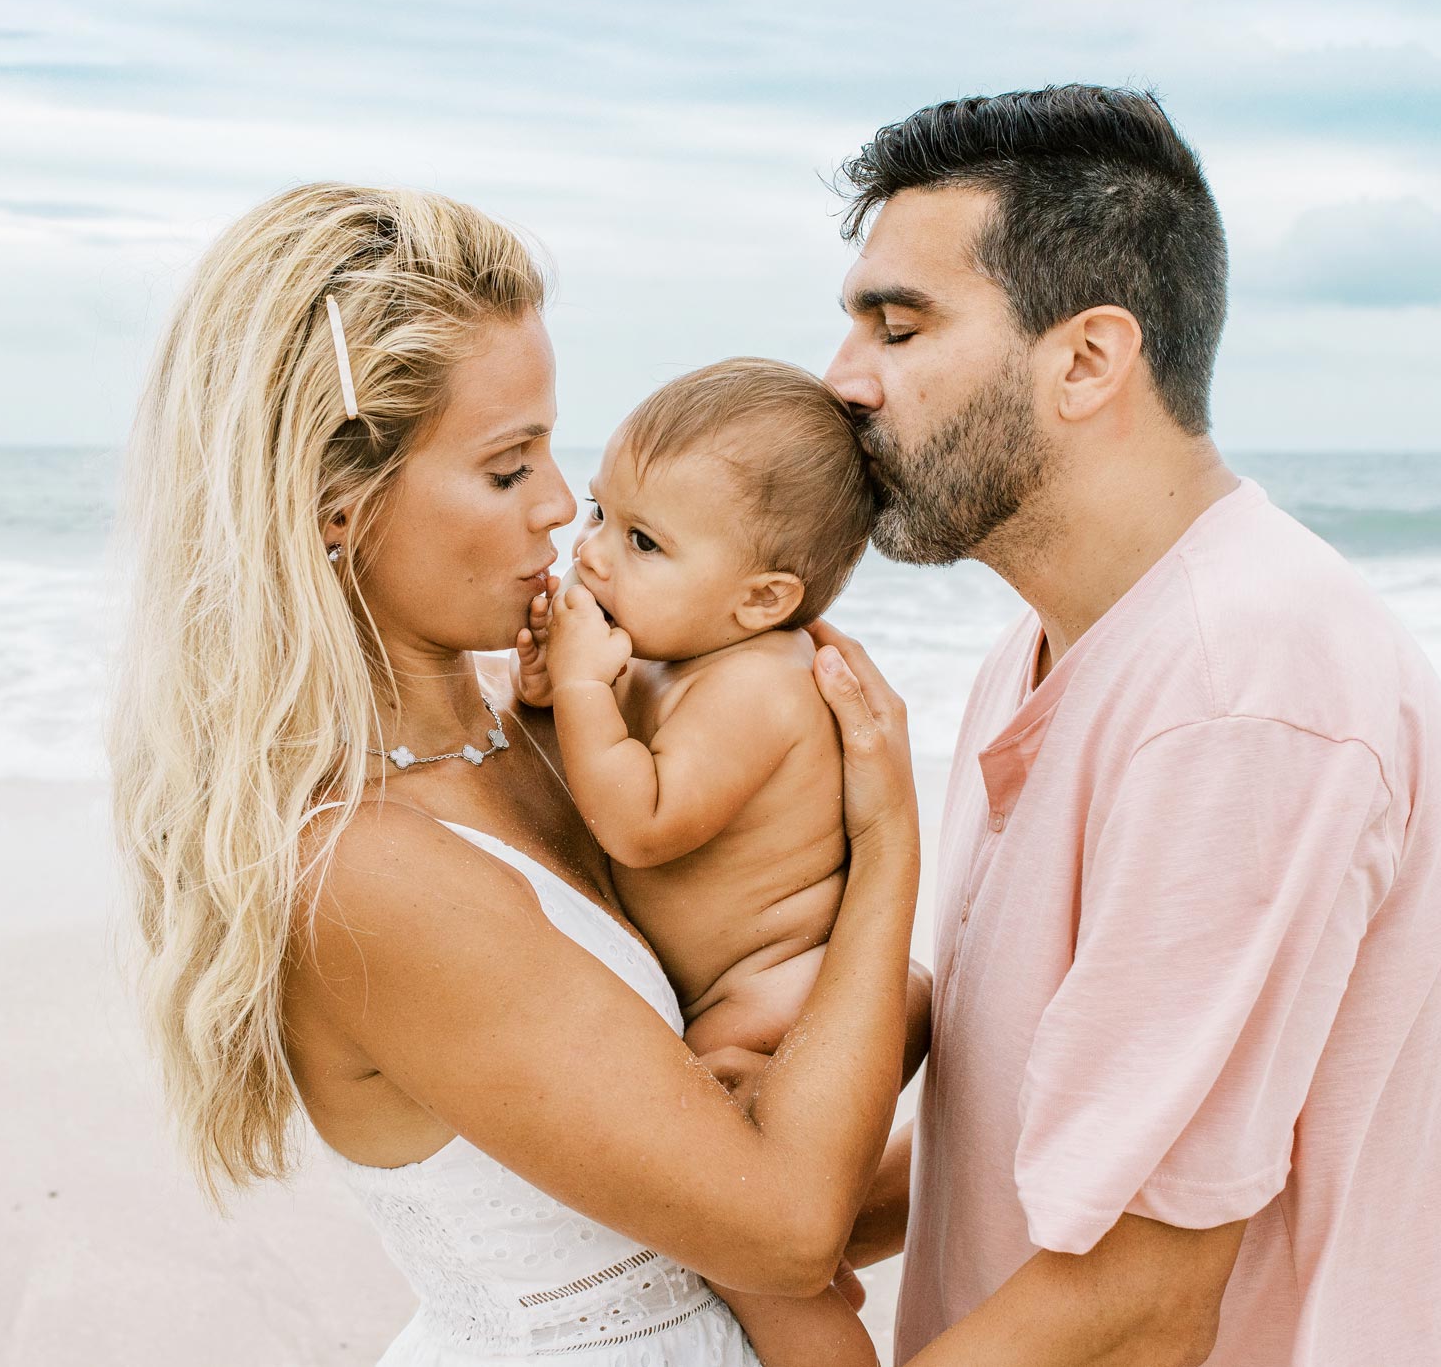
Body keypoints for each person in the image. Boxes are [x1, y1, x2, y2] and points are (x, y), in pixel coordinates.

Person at [110, 182, 921, 1366]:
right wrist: (890, 840)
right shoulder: (365, 869)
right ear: (335, 510)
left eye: (553, 447)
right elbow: (787, 1233)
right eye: (505, 468)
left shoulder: (537, 735)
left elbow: (735, 1197)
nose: (559, 506)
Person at [825, 87, 1441, 1365]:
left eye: (898, 328)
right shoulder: (1044, 644)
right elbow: (1046, 1145)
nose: (843, 379)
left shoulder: (1241, 688)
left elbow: (1137, 1297)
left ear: (1085, 358)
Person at [512, 358, 934, 1366]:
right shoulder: (673, 655)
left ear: (761, 599)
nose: (596, 555)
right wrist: (549, 691)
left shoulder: (759, 685)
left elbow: (642, 821)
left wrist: (576, 692)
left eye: (644, 542)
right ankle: (840, 1235)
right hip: (757, 985)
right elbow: (608, 753)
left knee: (734, 1226)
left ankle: (821, 1345)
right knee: (738, 1212)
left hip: (773, 997)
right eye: (604, 514)